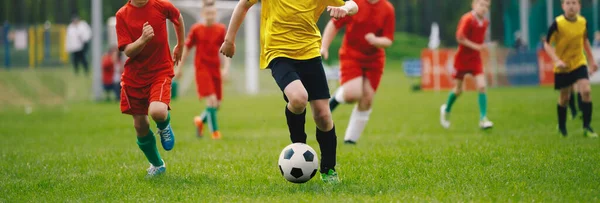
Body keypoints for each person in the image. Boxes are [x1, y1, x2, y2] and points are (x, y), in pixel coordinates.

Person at [219, 0, 358, 183]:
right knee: (299, 98)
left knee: (323, 115)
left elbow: (353, 4)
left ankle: (328, 169)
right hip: (278, 53)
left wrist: (345, 9)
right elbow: (243, 4)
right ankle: (299, 148)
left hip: (310, 53)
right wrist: (229, 40)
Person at [115, 0, 185, 177]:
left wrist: (180, 45)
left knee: (157, 112)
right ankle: (157, 165)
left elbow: (178, 18)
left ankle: (164, 125)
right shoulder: (122, 15)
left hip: (160, 71)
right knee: (140, 125)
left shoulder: (161, 5)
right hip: (134, 77)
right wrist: (143, 39)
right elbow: (128, 51)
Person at [322, 0, 395, 144]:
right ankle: (336, 99)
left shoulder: (387, 9)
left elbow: (388, 40)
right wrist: (324, 46)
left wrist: (376, 40)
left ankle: (350, 140)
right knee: (352, 94)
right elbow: (333, 24)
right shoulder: (355, 4)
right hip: (351, 55)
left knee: (367, 99)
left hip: (375, 60)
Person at [544, 0, 598, 137]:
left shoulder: (583, 22)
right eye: (568, 3)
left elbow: (585, 40)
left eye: (574, 3)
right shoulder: (557, 23)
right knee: (565, 98)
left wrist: (592, 61)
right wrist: (556, 60)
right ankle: (562, 128)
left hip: (579, 62)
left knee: (586, 90)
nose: (571, 6)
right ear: (563, 6)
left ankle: (587, 127)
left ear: (579, 6)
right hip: (563, 65)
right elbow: (547, 44)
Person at [177, 0, 230, 139]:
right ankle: (215, 133)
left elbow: (226, 50)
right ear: (202, 14)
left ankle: (200, 121)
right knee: (211, 100)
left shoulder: (220, 29)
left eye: (212, 13)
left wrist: (226, 69)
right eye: (207, 13)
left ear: (216, 13)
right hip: (201, 69)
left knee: (217, 104)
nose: (210, 16)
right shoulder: (196, 29)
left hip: (215, 70)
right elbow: (187, 48)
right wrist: (179, 67)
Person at [440, 0, 494, 130]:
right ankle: (446, 109)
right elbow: (459, 37)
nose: (484, 8)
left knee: (482, 86)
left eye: (486, 6)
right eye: (481, 5)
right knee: (459, 90)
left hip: (475, 59)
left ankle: (483, 119)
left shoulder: (485, 22)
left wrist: (485, 45)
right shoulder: (467, 19)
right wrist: (476, 46)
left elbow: (480, 39)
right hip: (462, 59)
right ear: (474, 5)